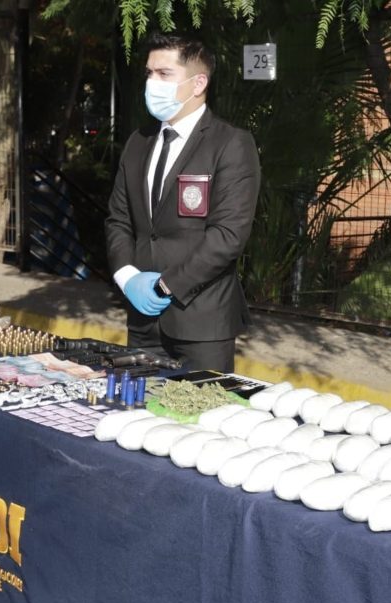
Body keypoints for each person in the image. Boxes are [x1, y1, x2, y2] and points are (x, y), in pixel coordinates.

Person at [105, 33, 261, 372]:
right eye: (149, 73)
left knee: (201, 405)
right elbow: (118, 219)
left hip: (201, 322)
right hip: (143, 320)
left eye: (164, 74)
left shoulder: (230, 144)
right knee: (140, 404)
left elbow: (228, 235)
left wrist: (166, 286)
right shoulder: (138, 142)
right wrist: (127, 277)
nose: (152, 83)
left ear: (198, 83)